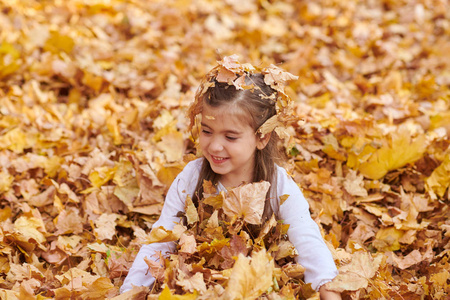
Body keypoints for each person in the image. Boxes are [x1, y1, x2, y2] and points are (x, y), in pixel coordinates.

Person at [120, 55, 341, 299]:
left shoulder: (278, 185)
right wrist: (130, 291)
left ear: (262, 137)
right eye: (206, 131)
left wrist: (327, 289)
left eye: (230, 137)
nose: (215, 146)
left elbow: (307, 240)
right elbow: (160, 239)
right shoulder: (191, 178)